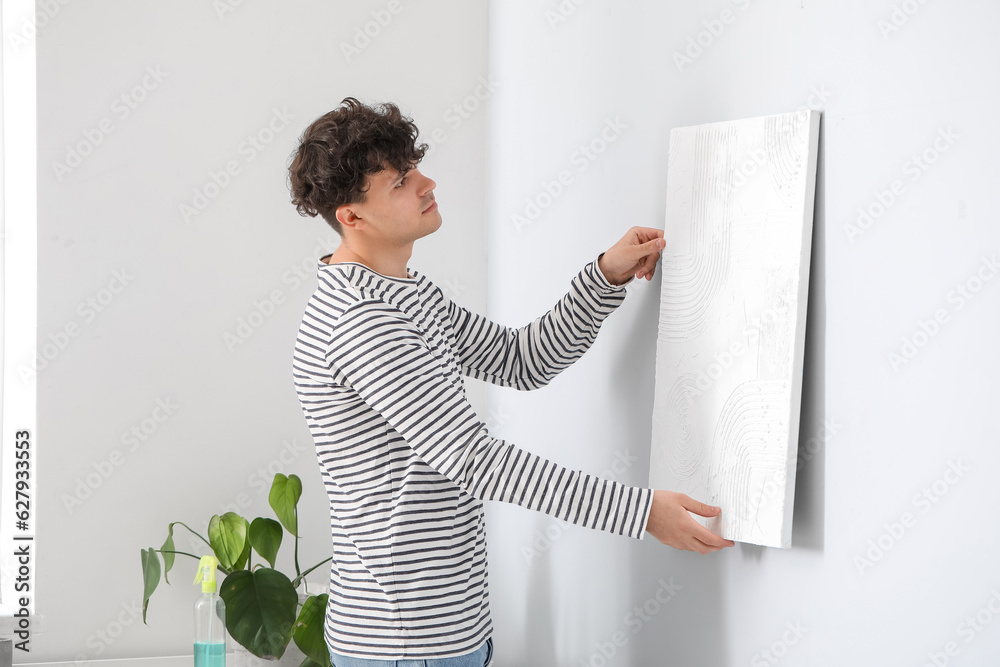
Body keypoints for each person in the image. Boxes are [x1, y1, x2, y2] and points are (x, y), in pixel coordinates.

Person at [287, 97, 734, 667]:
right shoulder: (361, 322)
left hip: (451, 627)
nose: (426, 183)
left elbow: (520, 360)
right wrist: (641, 512)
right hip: (405, 643)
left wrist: (602, 277)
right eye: (400, 182)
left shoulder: (406, 293)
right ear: (352, 216)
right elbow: (475, 460)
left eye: (415, 167)